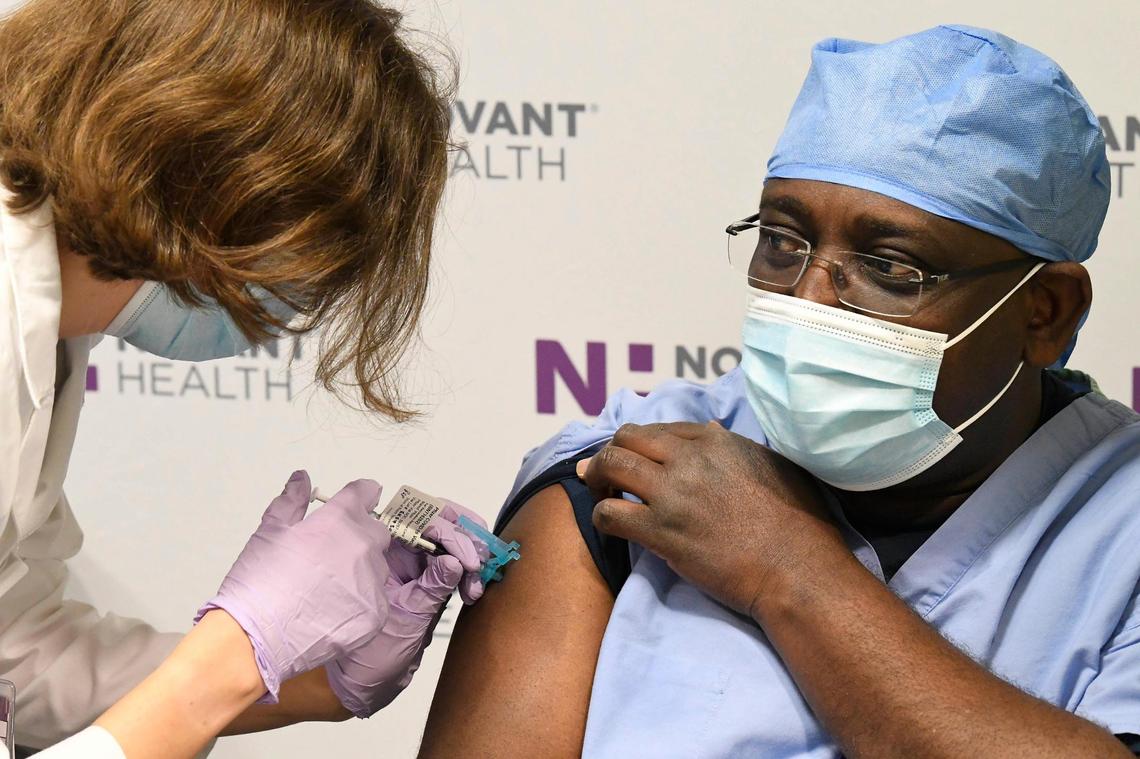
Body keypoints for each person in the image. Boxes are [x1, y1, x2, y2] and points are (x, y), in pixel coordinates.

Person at [420, 26, 1140, 758]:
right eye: (783, 240)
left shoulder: (1120, 527)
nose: (810, 300)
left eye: (891, 266)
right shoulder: (625, 473)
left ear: (1042, 312)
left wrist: (790, 567)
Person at [0, 0, 484, 755]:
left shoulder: (48, 321)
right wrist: (236, 653)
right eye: (306, 263)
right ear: (221, 196)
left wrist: (301, 682)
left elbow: (15, 660)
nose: (291, 303)